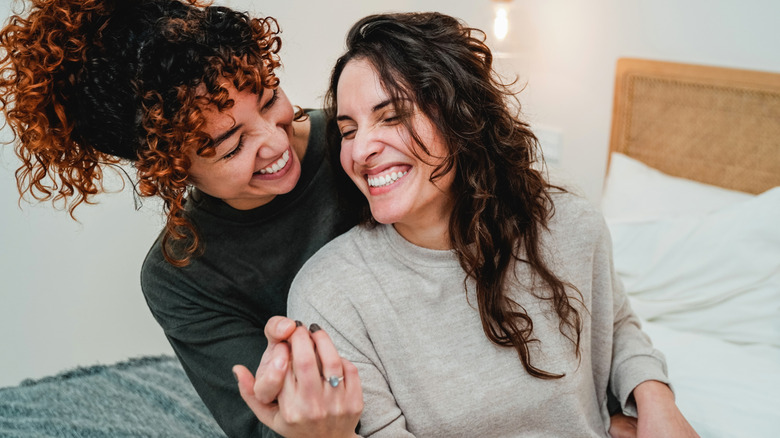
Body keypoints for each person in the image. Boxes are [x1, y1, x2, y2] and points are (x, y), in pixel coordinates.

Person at [286, 12, 700, 437]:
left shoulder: (570, 224)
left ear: (459, 116)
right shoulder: (330, 296)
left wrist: (655, 398)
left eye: (391, 116)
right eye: (348, 130)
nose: (361, 150)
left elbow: (613, 323)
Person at [0, 1, 362, 437]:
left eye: (269, 101)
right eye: (231, 145)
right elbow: (262, 425)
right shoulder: (181, 275)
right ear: (170, 168)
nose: (274, 140)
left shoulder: (360, 142)